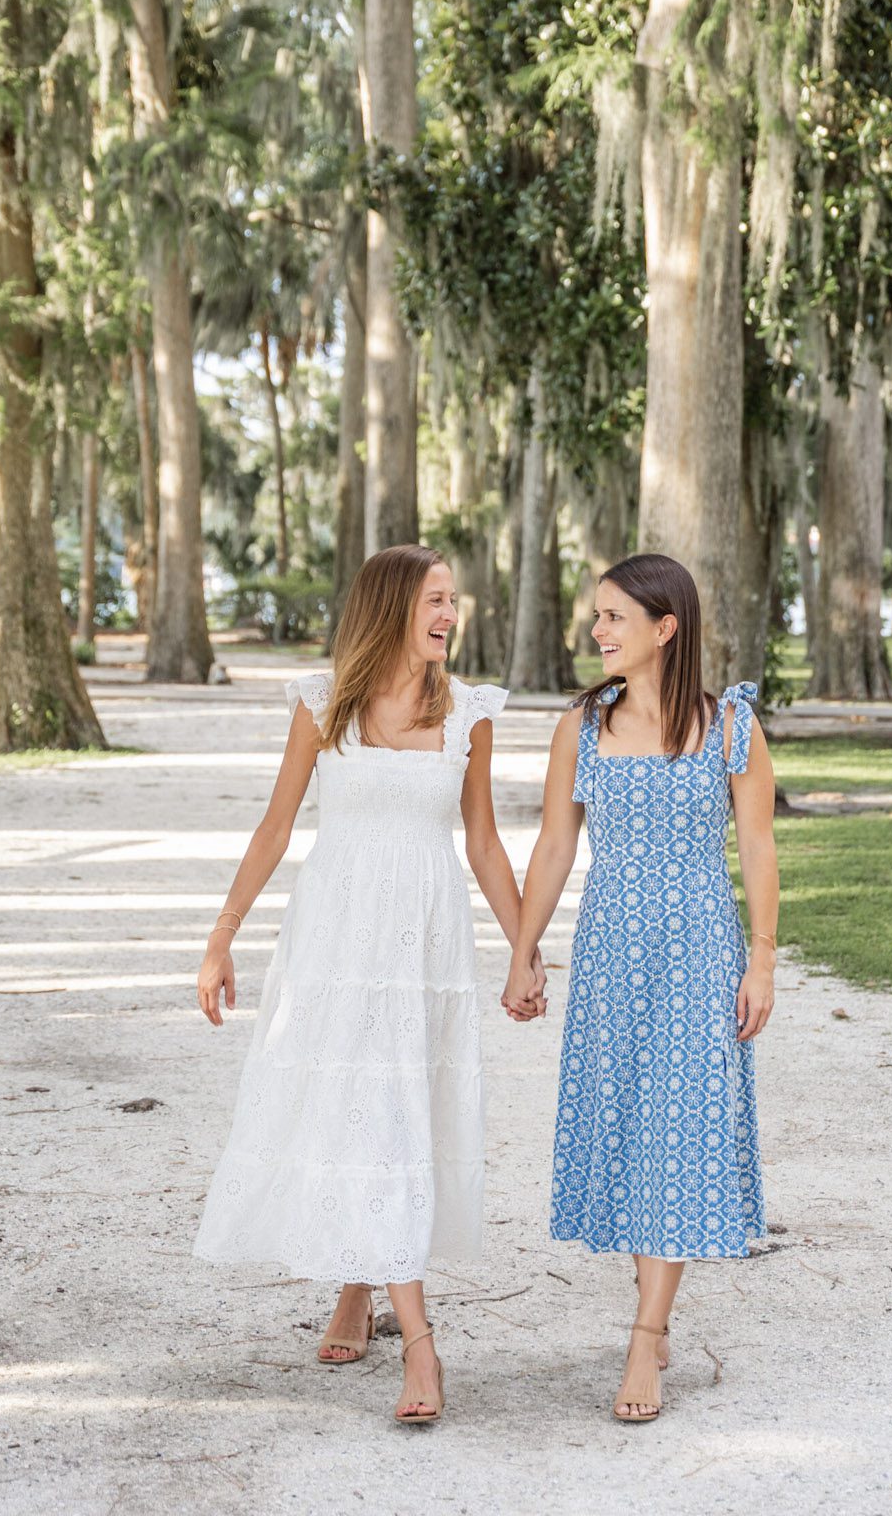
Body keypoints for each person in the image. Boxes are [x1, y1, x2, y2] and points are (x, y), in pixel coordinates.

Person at [193, 542, 539, 1427]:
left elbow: (486, 843)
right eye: (435, 598)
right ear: (392, 605)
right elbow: (276, 828)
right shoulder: (325, 704)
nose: (450, 614)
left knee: (393, 1113)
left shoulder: (468, 712)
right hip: (336, 942)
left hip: (422, 948)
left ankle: (363, 1287)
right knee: (367, 1109)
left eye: (454, 600)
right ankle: (417, 1341)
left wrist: (524, 946)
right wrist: (222, 938)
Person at [503, 551, 780, 1425]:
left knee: (679, 1130)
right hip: (612, 951)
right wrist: (523, 948)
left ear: (666, 627)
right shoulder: (582, 726)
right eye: (598, 616)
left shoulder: (731, 726)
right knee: (627, 1128)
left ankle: (643, 1334)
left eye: (615, 617)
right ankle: (652, 1316)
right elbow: (553, 848)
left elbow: (761, 849)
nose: (598, 630)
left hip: (701, 950)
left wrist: (762, 958)